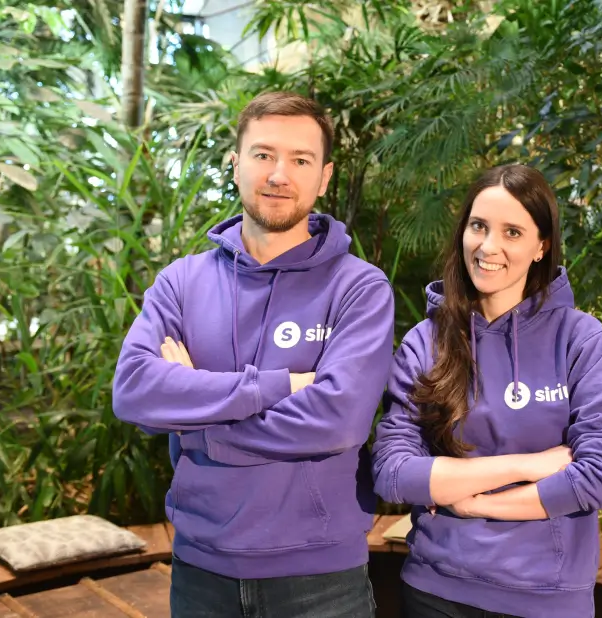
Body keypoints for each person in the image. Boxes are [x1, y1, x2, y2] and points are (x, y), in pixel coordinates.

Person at [112, 91, 395, 618]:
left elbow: (337, 421)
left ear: (324, 177)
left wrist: (195, 422)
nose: (279, 175)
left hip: (321, 578)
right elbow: (134, 392)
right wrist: (280, 386)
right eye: (264, 154)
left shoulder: (359, 288)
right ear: (235, 163)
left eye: (300, 160)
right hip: (200, 572)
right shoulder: (181, 282)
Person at [372, 164, 602, 618]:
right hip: (437, 590)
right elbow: (393, 471)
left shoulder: (578, 339)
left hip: (547, 598)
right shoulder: (426, 341)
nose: (488, 246)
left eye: (512, 232)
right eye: (479, 226)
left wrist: (474, 505)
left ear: (541, 246)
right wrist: (528, 464)